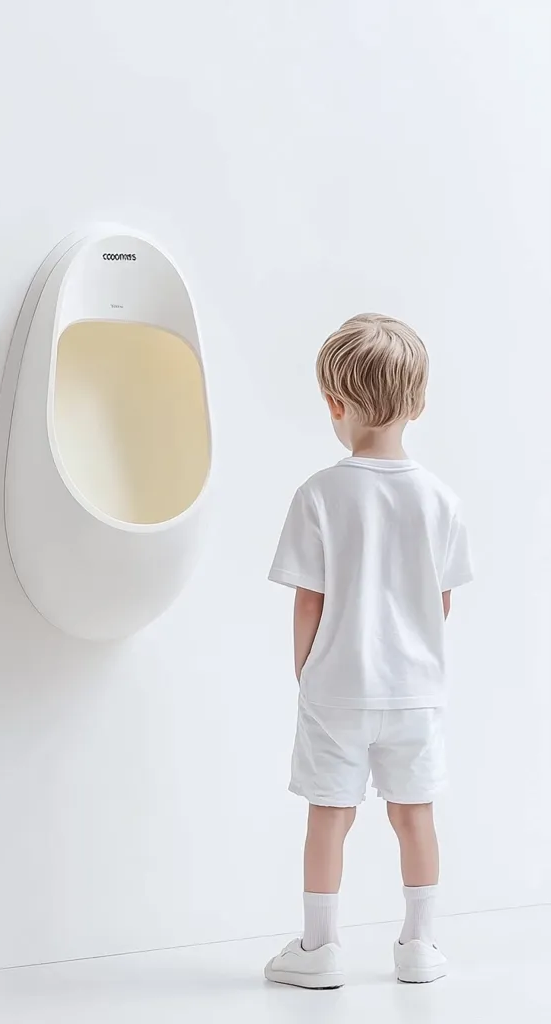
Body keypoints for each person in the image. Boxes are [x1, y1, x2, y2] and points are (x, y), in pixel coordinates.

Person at [264, 314, 473, 989]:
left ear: (335, 404)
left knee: (330, 818)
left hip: (336, 690)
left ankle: (319, 949)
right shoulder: (441, 500)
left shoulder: (319, 494)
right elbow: (440, 602)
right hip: (415, 692)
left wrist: (307, 673)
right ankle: (418, 944)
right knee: (415, 817)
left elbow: (308, 602)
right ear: (419, 402)